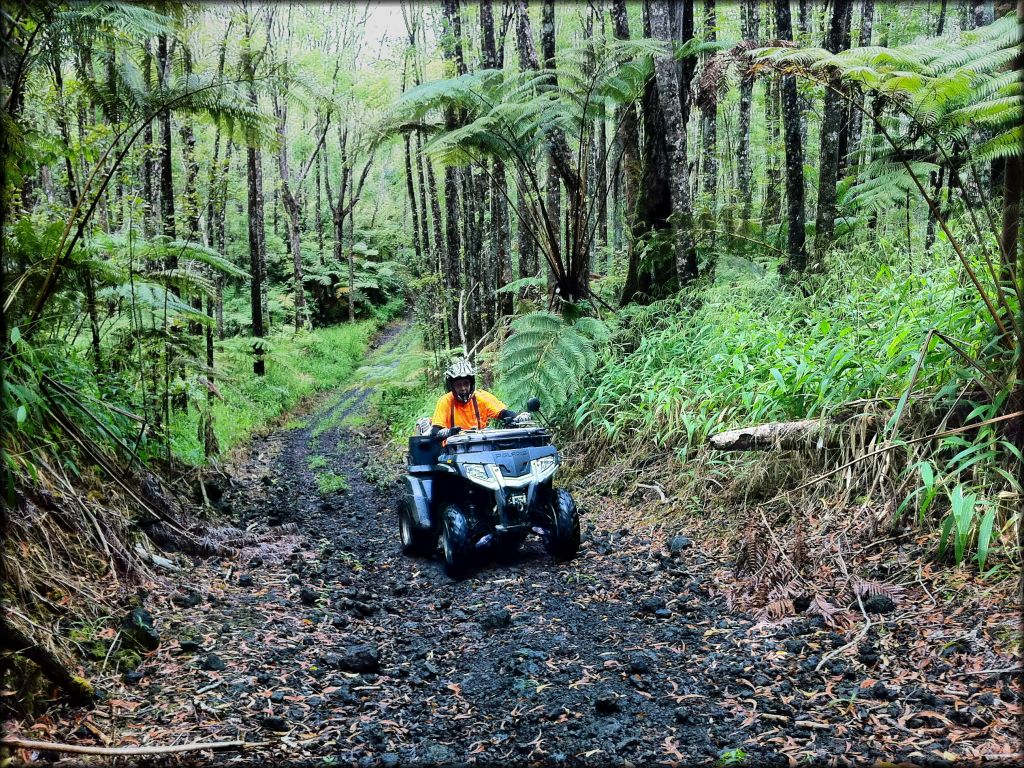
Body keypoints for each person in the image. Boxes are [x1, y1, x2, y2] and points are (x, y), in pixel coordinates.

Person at [430, 359, 528, 440]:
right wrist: (448, 432)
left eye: (466, 383)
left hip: (480, 445)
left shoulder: (481, 397)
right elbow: (435, 431)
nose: (463, 388)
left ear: (471, 384)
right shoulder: (445, 401)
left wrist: (517, 417)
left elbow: (502, 413)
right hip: (452, 449)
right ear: (452, 386)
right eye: (458, 385)